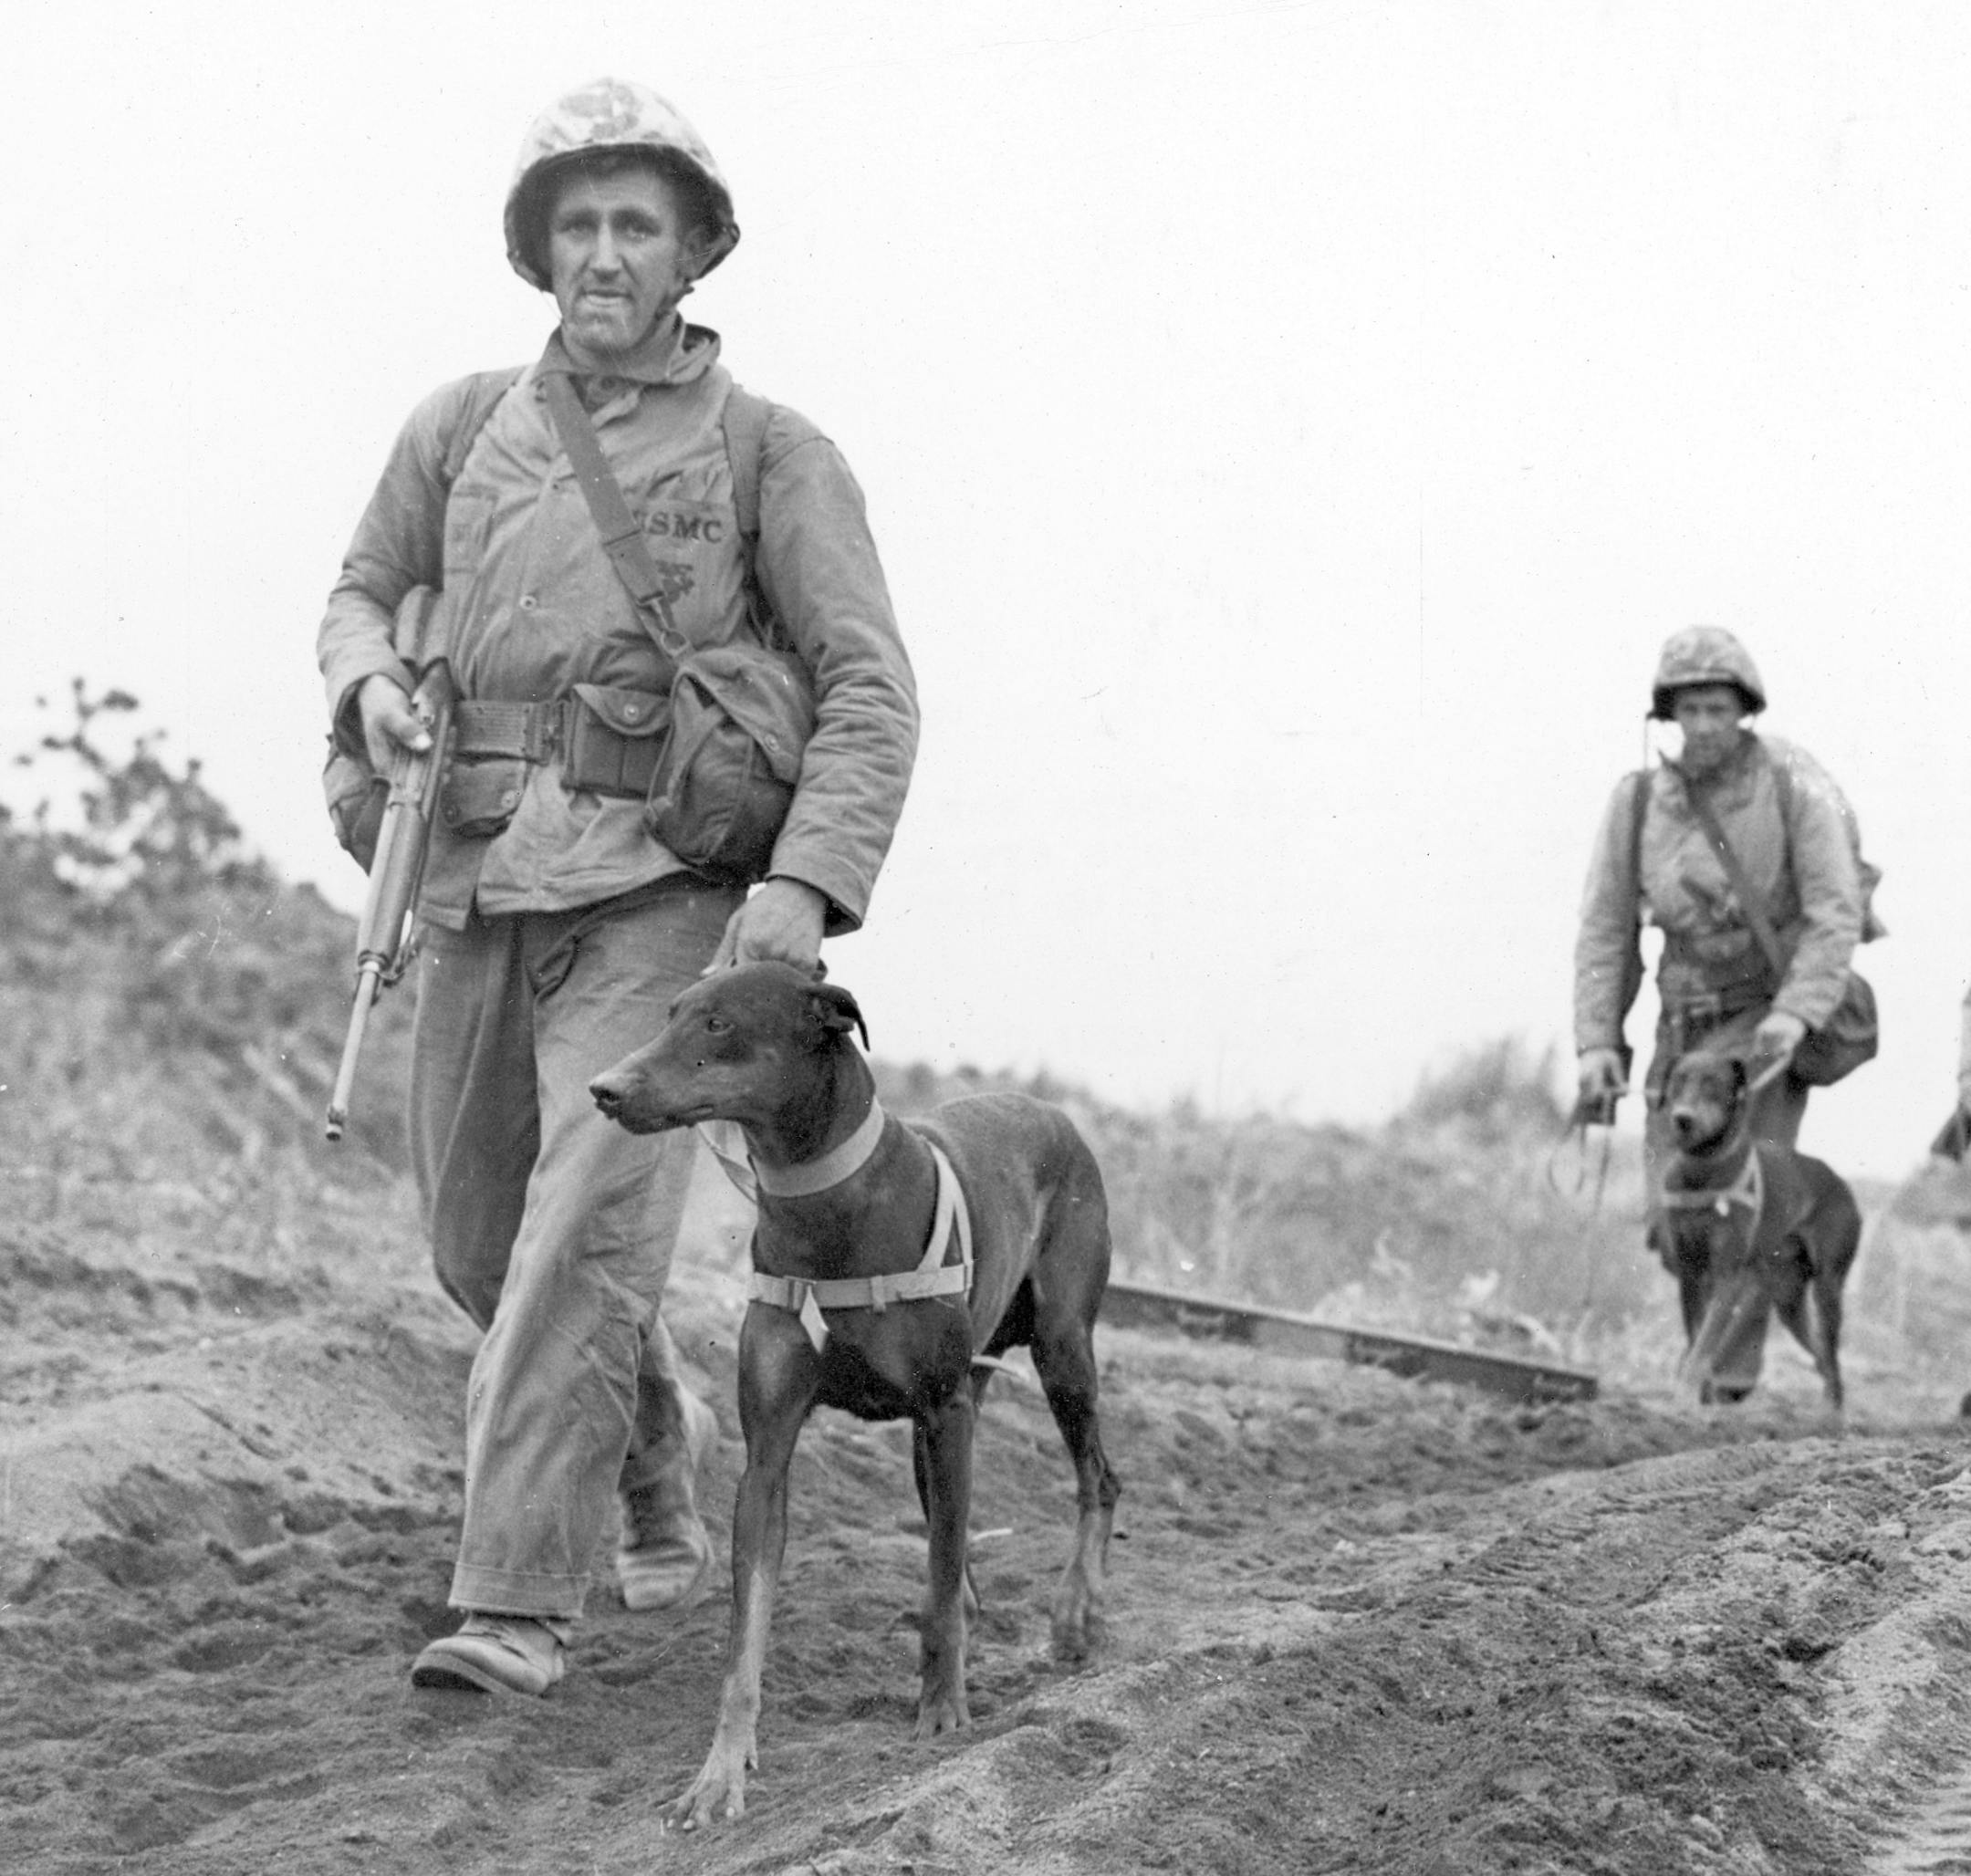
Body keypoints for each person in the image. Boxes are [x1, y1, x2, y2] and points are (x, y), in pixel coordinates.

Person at [317, 78, 919, 1694]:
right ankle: (657, 1446)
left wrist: (805, 887)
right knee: (472, 1246)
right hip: (477, 876)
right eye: (575, 223)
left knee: (579, 1243)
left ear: (693, 251)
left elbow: (870, 691)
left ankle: (512, 1602)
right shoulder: (457, 426)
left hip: (664, 889)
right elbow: (362, 593)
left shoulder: (770, 452)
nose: (602, 252)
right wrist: (372, 678)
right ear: (539, 249)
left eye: (633, 224)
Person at [1573, 627, 1872, 1401]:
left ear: (1744, 711)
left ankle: (1721, 1394)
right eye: (1688, 709)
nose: (1703, 724)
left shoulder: (1794, 785)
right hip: (1680, 1028)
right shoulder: (1637, 801)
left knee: (1744, 1208)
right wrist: (1598, 1042)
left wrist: (1797, 1015)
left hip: (1763, 1028)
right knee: (1675, 1219)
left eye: (1717, 707)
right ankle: (1708, 1382)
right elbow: (1606, 929)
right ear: (1667, 716)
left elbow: (1835, 911)